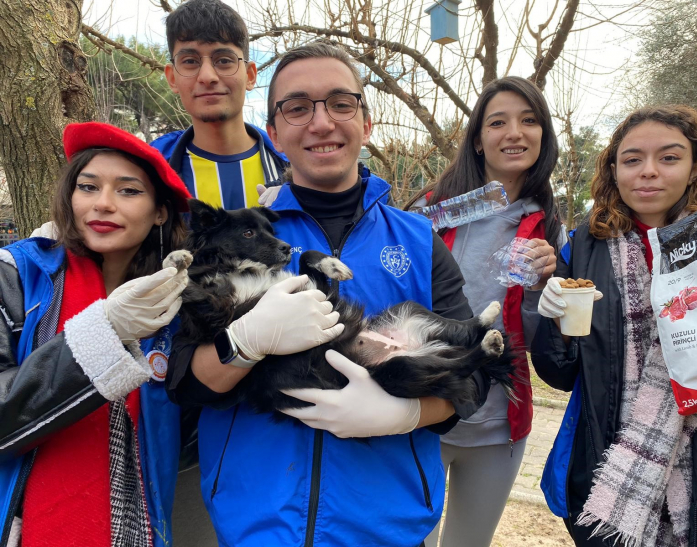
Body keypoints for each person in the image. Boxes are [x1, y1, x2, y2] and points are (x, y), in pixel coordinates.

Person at [166, 42, 491, 547]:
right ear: (273, 133)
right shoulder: (234, 237)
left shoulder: (418, 240)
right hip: (255, 528)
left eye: (341, 103)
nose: (321, 123)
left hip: (390, 529)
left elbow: (473, 381)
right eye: (298, 107)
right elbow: (182, 383)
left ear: (366, 120)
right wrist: (243, 345)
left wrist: (404, 414)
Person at [532, 105, 697, 546]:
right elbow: (559, 373)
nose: (649, 172)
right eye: (633, 159)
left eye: (670, 158)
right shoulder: (586, 246)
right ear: (614, 169)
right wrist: (554, 321)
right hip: (606, 469)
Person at [0, 121, 192, 547]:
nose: (103, 204)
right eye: (88, 187)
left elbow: (185, 437)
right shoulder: (15, 276)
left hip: (138, 526)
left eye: (128, 191)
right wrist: (105, 335)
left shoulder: (173, 303)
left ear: (161, 211)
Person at [406, 76, 560, 547]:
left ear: (543, 135)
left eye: (529, 120)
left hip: (497, 426)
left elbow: (537, 339)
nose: (514, 132)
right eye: (498, 122)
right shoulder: (426, 212)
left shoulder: (550, 227)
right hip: (419, 413)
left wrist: (543, 289)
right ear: (477, 139)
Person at [150, 0, 287, 206]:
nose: (207, 76)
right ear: (172, 78)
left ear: (250, 75)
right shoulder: (147, 173)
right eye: (190, 61)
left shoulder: (294, 166)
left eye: (223, 60)